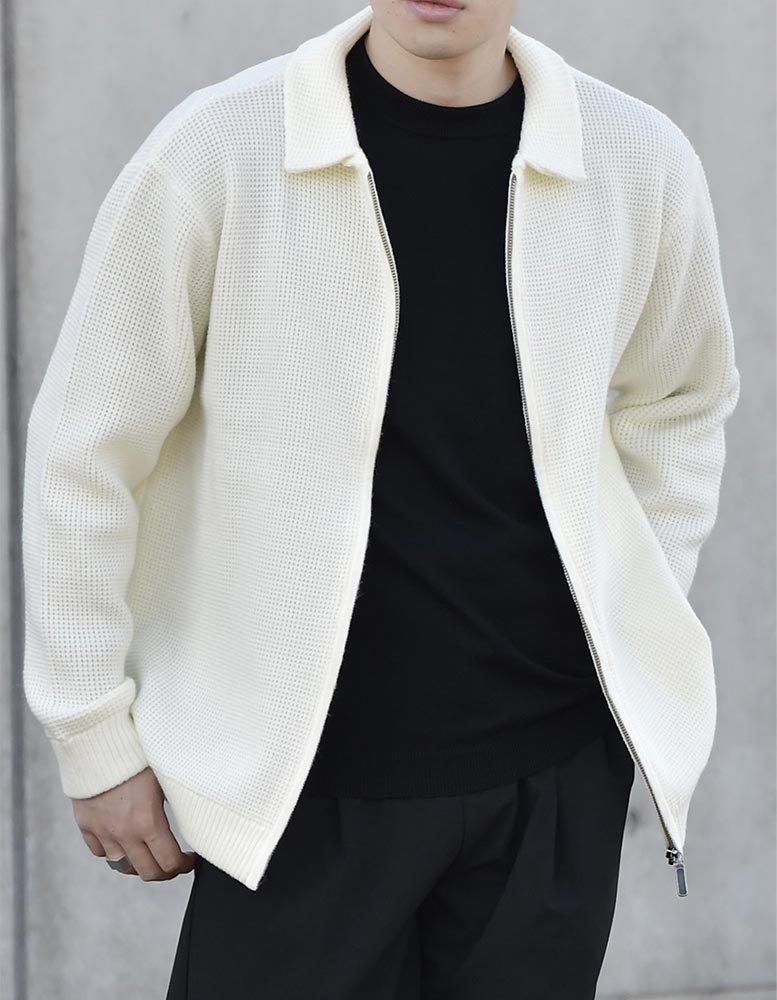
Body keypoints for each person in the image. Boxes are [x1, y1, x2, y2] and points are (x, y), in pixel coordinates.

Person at [21, 2, 740, 997]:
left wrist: (627, 622)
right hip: (301, 789)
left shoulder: (635, 158)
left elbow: (681, 402)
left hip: (550, 775)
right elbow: (84, 453)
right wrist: (93, 737)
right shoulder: (219, 150)